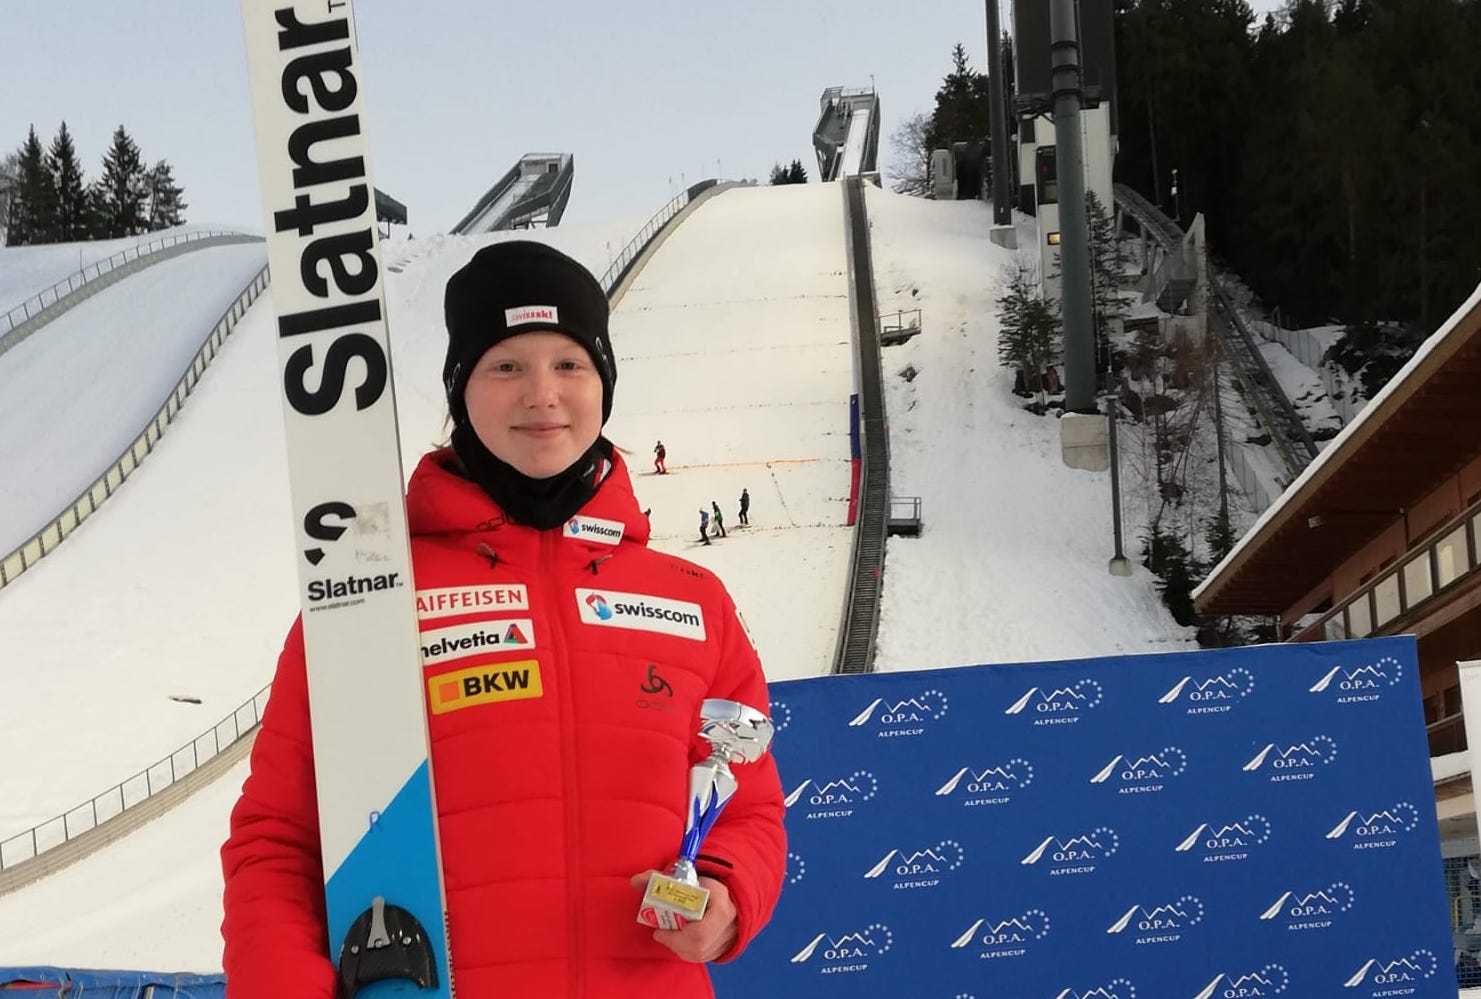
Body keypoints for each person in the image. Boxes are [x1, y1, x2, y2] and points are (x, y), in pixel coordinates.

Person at [221, 240, 786, 998]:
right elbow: (279, 841)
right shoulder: (369, 599)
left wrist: (726, 895)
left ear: (604, 384)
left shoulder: (693, 602)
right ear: (461, 390)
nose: (542, 394)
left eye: (569, 364)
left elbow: (747, 809)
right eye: (507, 366)